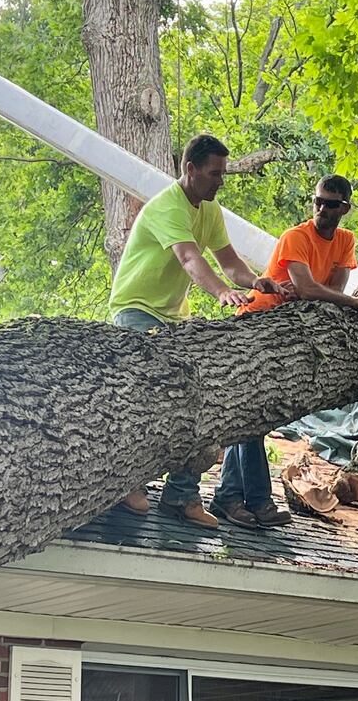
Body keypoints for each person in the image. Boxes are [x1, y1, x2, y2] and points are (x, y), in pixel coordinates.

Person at [108, 133, 283, 528]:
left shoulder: (210, 210)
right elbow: (189, 258)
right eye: (214, 173)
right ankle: (126, 482)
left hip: (172, 318)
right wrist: (221, 292)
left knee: (202, 396)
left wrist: (255, 282)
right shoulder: (167, 206)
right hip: (136, 311)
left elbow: (230, 262)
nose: (220, 180)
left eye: (222, 173)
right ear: (190, 169)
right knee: (151, 397)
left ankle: (180, 495)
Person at [209, 175, 358, 529]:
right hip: (257, 321)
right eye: (317, 201)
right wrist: (354, 302)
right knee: (252, 412)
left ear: (344, 208)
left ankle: (232, 496)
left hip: (289, 330)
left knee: (256, 414)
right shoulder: (296, 236)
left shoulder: (345, 240)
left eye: (330, 204)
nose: (321, 209)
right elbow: (311, 289)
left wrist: (326, 294)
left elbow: (330, 287)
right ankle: (250, 499)